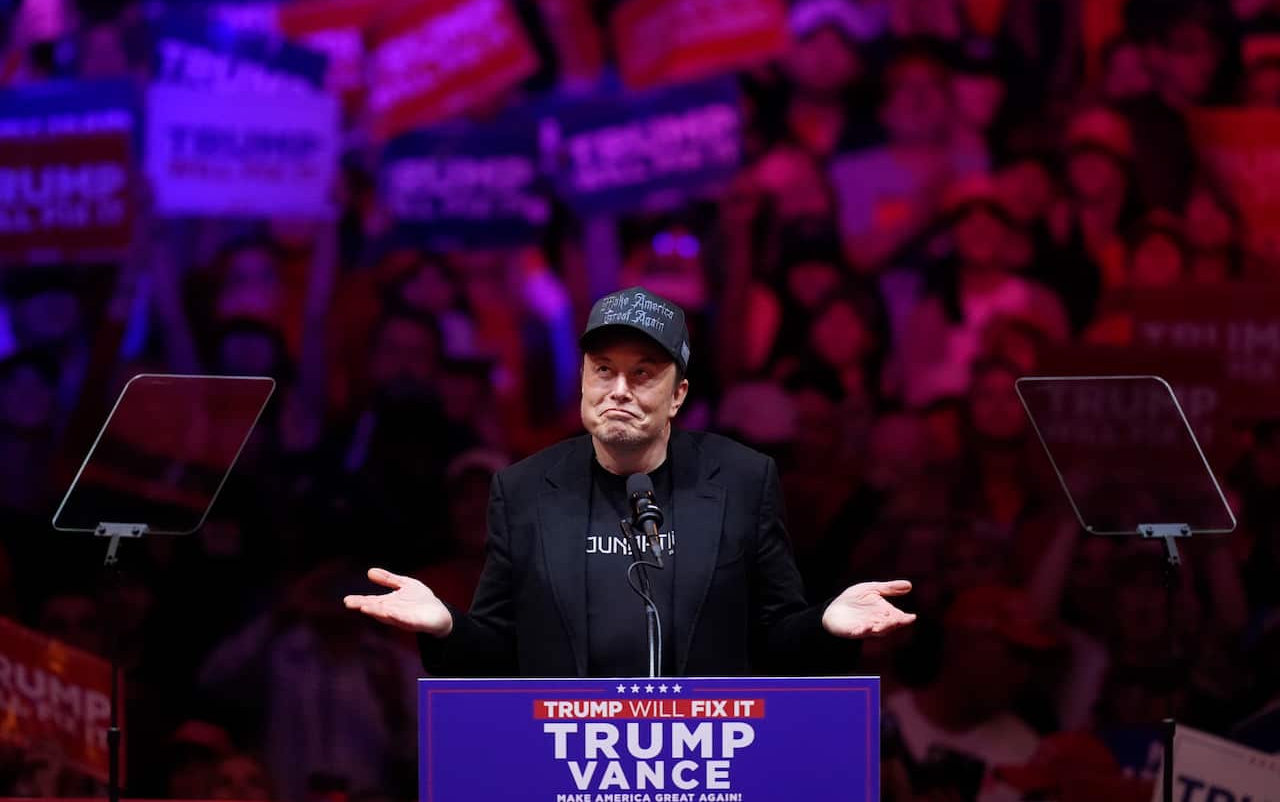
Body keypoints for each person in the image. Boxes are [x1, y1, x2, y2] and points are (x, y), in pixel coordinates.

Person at [345, 286, 917, 677]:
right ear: (582, 383)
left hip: (710, 770)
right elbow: (500, 654)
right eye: (604, 370)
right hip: (566, 771)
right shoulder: (522, 490)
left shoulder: (743, 479)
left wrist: (826, 624)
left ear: (679, 395)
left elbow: (775, 640)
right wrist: (447, 628)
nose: (619, 389)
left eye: (643, 373)